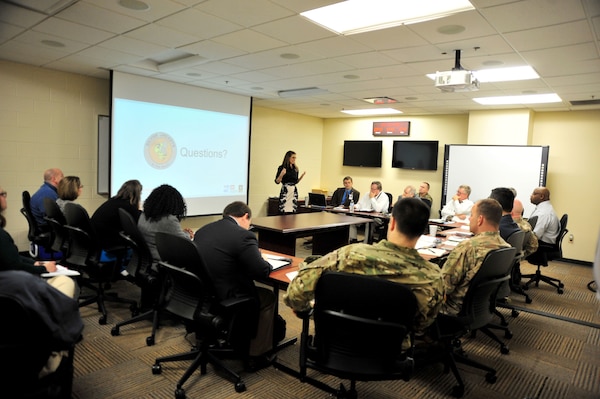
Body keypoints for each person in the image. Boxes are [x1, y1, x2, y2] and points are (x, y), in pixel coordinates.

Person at [284, 198, 445, 348]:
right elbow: (422, 324)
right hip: (389, 349)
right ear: (423, 229)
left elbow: (296, 293)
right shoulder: (432, 277)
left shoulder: (351, 255)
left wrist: (305, 310)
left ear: (393, 223)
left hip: (338, 341)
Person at [194, 201, 279, 369]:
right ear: (246, 216)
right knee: (268, 296)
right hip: (228, 295)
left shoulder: (203, 230)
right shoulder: (244, 236)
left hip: (205, 293)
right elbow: (261, 271)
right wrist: (264, 261)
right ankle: (256, 354)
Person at [0, 185, 76, 298]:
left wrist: (36, 263)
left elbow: (12, 258)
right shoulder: (1, 236)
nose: (5, 197)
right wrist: (44, 268)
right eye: (2, 194)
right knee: (66, 282)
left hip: (8, 283)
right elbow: (15, 266)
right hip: (10, 289)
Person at [441, 198, 511, 315]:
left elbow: (444, 286)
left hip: (454, 308)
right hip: (482, 307)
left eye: (472, 215)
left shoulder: (468, 247)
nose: (469, 218)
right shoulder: (506, 246)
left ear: (480, 219)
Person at [91, 180, 143, 276]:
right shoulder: (127, 206)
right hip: (106, 241)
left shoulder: (113, 201)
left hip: (96, 240)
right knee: (140, 244)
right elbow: (140, 220)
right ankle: (129, 273)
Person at [137, 184, 194, 262]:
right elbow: (184, 243)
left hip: (146, 260)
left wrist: (184, 233)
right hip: (161, 262)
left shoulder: (144, 215)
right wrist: (188, 234)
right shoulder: (168, 220)